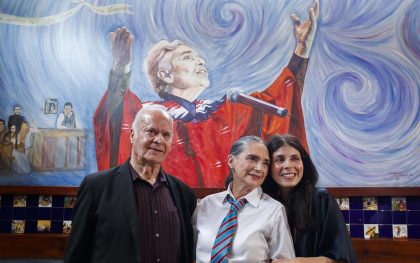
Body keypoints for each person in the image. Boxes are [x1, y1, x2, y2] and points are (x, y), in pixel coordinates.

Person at [94, 1, 319, 189]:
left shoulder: (228, 111)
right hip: (167, 213)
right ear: (166, 74)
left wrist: (301, 50)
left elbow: (279, 99)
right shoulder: (152, 118)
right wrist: (120, 71)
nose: (200, 61)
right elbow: (116, 119)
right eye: (188, 58)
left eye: (199, 58)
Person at [63, 106, 197, 263]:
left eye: (166, 135)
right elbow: (76, 259)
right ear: (133, 136)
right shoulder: (96, 187)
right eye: (151, 131)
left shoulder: (184, 194)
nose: (159, 140)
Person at [193, 136, 295, 263]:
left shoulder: (274, 210)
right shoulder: (206, 204)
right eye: (252, 159)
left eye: (265, 163)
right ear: (231, 161)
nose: (259, 168)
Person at [262, 134, 361, 263]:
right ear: (269, 167)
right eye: (279, 159)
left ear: (304, 164)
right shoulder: (263, 203)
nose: (288, 165)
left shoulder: (321, 198)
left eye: (295, 158)